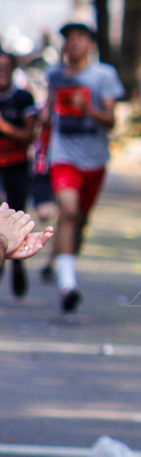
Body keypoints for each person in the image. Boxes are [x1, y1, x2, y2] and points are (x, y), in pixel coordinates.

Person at [44, 22, 124, 312]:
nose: (74, 43)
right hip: (63, 155)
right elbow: (49, 109)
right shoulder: (54, 75)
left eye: (80, 38)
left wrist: (88, 108)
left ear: (91, 44)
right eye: (69, 39)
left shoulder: (104, 75)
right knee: (68, 210)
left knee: (80, 220)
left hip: (95, 158)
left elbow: (112, 120)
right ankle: (68, 285)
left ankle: (61, 261)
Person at [0, 49, 39, 296]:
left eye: (6, 67)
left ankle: (17, 266)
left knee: (16, 218)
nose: (1, 71)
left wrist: (4, 127)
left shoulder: (24, 98)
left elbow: (29, 137)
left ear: (14, 70)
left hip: (16, 168)